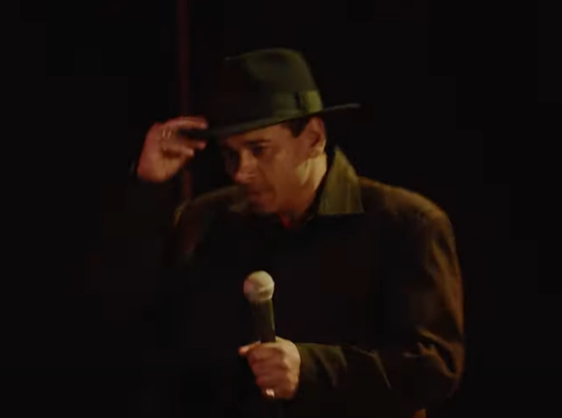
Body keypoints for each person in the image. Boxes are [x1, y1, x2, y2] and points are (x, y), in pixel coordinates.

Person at [110, 48, 464, 418]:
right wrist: (146, 187)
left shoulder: (404, 224)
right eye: (230, 154)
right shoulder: (207, 221)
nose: (240, 171)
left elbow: (435, 366)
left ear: (313, 137)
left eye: (259, 150)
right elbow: (127, 308)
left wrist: (310, 369)